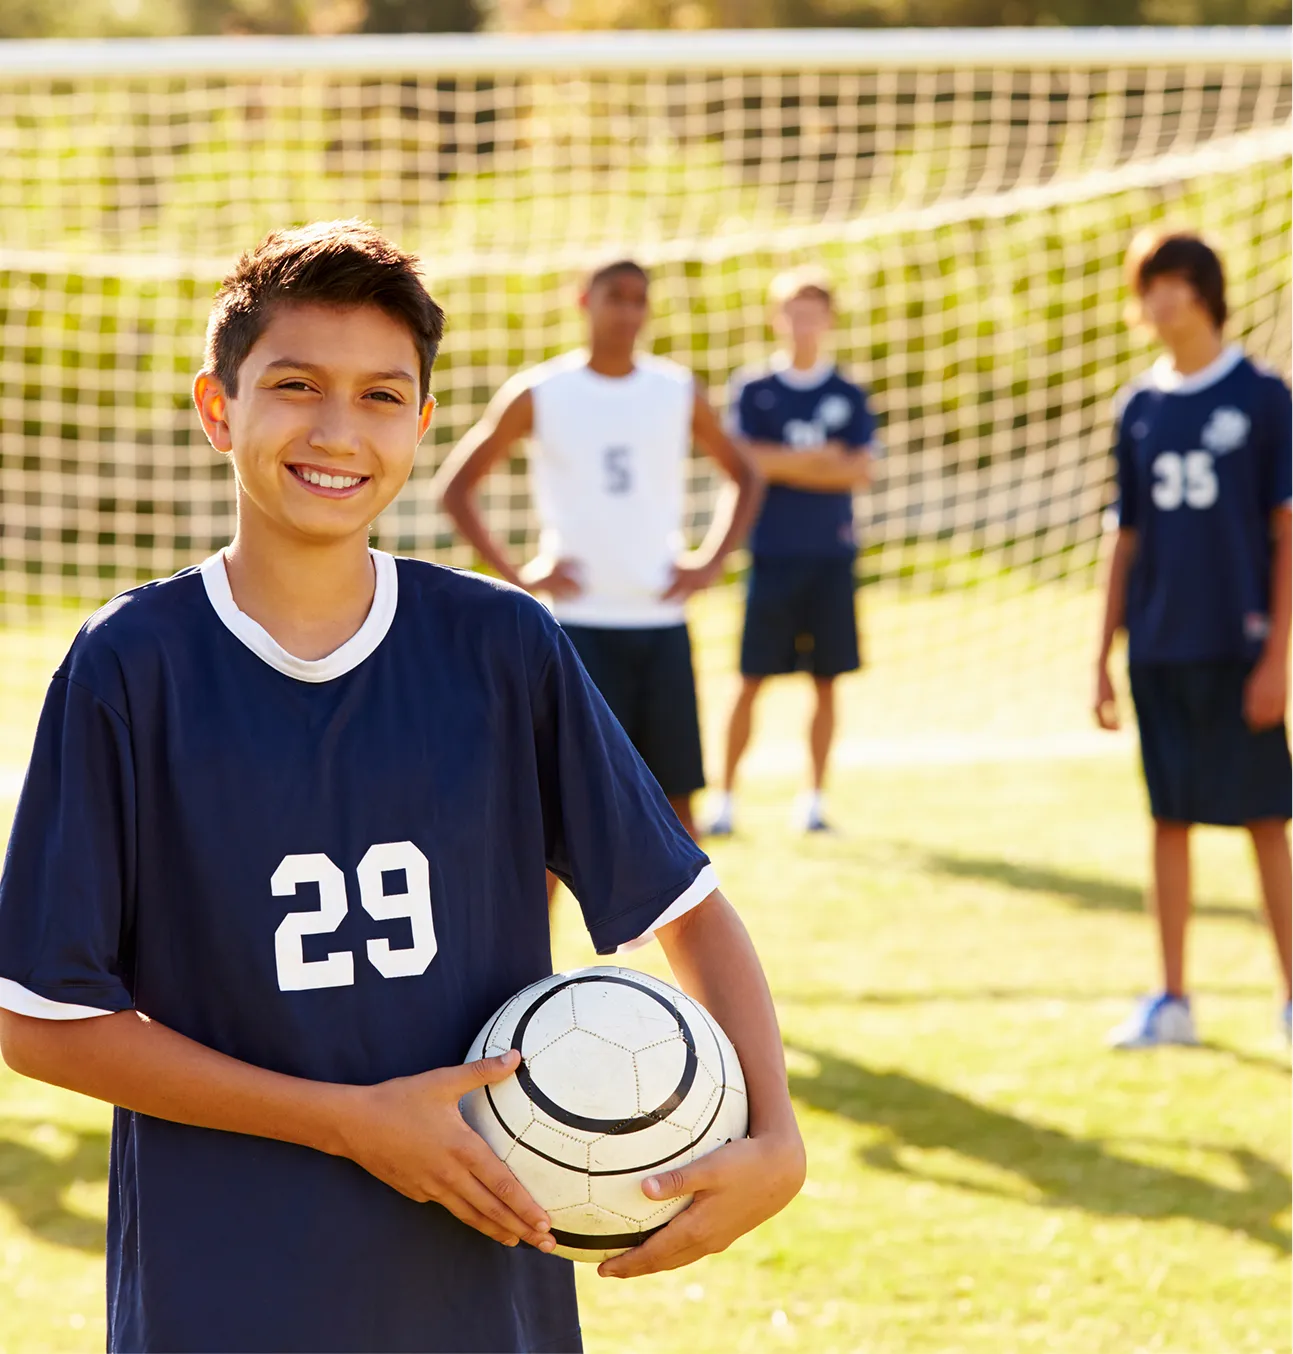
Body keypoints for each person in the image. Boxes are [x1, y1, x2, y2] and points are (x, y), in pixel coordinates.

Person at [0, 221, 805, 1354]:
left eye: (382, 395)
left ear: (423, 425)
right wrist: (346, 1123)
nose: (339, 429)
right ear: (218, 407)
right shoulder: (134, 664)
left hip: (476, 1288)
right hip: (226, 1284)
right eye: (295, 385)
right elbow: (43, 1021)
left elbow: (688, 910)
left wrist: (776, 1134)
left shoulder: (499, 644)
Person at [434, 260, 761, 841]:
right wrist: (520, 575)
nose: (628, 312)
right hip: (577, 627)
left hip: (661, 622)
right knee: (557, 813)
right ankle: (537, 937)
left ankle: (669, 933)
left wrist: (709, 562)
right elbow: (455, 489)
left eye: (640, 300)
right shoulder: (541, 392)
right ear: (584, 300)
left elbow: (745, 475)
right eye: (616, 297)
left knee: (676, 813)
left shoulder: (676, 389)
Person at [1094, 229, 1292, 1049]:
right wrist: (1097, 654)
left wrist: (1277, 658)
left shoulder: (1262, 396)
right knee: (1166, 818)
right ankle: (1171, 998)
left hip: (1237, 647)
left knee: (1263, 821)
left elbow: (1285, 534)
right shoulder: (1135, 408)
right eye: (1149, 285)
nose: (1162, 298)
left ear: (1205, 290)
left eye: (1174, 281)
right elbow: (1124, 538)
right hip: (1158, 648)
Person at [708, 267, 876, 837]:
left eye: (813, 313)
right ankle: (725, 799)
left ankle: (813, 799)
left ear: (828, 320)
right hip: (771, 554)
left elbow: (860, 469)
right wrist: (819, 461)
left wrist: (787, 463)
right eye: (792, 312)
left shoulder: (848, 393)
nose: (803, 324)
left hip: (830, 558)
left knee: (827, 680)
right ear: (777, 319)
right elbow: (747, 460)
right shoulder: (754, 389)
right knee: (750, 678)